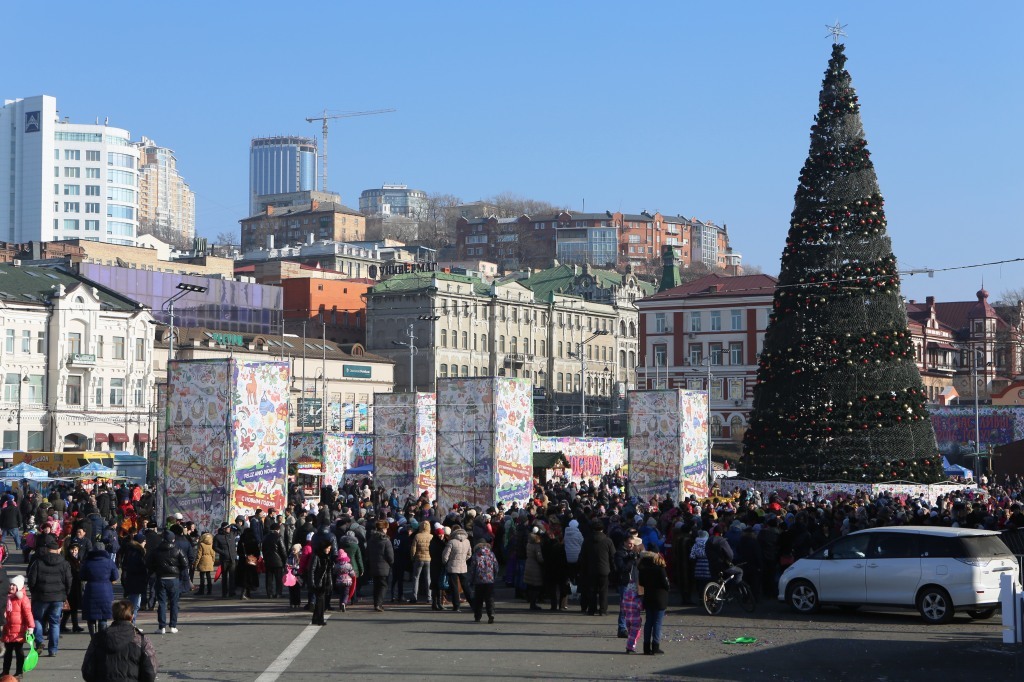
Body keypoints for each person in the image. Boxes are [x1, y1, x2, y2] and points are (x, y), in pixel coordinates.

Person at [81, 599, 157, 682]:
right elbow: (150, 673)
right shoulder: (141, 641)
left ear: (114, 616)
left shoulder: (98, 638)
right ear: (132, 617)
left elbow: (87, 671)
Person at [26, 534, 72, 657]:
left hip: (41, 596)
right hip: (58, 597)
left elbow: (32, 580)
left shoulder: (38, 562)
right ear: (57, 550)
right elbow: (68, 581)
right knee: (55, 623)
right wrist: (65, 594)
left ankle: (40, 641)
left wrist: (34, 591)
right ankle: (53, 649)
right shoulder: (64, 563)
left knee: (37, 619)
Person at [144, 530, 188, 635]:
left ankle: (162, 626)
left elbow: (149, 563)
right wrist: (178, 570)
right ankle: (173, 625)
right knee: (173, 603)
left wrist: (156, 570)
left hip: (161, 577)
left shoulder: (156, 550)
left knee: (162, 603)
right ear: (173, 539)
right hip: (174, 578)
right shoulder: (177, 550)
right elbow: (185, 563)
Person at [80, 547, 119, 636]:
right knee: (103, 617)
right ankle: (102, 638)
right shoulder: (109, 562)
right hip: (106, 591)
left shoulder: (88, 562)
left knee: (91, 617)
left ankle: (93, 639)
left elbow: (81, 576)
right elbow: (115, 576)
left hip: (91, 590)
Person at [637, 550, 670, 655]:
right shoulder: (660, 569)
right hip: (659, 598)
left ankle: (646, 647)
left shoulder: (643, 569)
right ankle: (655, 646)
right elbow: (666, 584)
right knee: (657, 622)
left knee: (648, 622)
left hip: (648, 596)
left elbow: (641, 583)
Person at [1, 575, 33, 677]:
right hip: (8, 630)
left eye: (14, 585)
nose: (11, 587)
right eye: (10, 584)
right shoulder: (6, 598)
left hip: (19, 631)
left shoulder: (23, 599)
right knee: (7, 653)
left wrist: (31, 627)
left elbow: (28, 614)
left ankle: (19, 672)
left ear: (18, 587)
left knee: (19, 653)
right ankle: (5, 671)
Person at [365, 519, 394, 612]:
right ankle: (378, 604)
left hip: (373, 565)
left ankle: (376, 603)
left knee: (376, 586)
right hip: (384, 566)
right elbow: (390, 556)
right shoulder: (386, 541)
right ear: (384, 528)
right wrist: (391, 563)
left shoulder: (371, 539)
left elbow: (367, 552)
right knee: (383, 586)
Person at [119, 533, 149, 625]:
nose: (145, 543)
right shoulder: (136, 552)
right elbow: (137, 567)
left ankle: (132, 624)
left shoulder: (132, 551)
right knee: (134, 605)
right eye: (144, 541)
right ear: (140, 542)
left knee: (136, 604)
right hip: (136, 581)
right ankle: (131, 625)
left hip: (134, 580)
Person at [442, 523, 472, 612]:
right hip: (463, 566)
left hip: (452, 567)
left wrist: (446, 562)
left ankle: (456, 606)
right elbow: (469, 554)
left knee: (454, 587)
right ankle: (472, 603)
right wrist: (463, 560)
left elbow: (445, 556)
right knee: (465, 586)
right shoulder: (467, 541)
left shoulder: (451, 542)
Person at [469, 535, 497, 623]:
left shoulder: (476, 555)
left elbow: (472, 569)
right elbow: (496, 567)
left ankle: (478, 616)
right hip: (489, 579)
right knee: (490, 598)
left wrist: (471, 580)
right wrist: (493, 576)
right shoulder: (491, 554)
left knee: (478, 599)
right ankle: (491, 614)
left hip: (479, 580)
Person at [408, 519, 432, 604]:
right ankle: (429, 597)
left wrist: (412, 558)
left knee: (416, 578)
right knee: (428, 578)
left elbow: (413, 549)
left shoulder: (417, 536)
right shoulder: (431, 536)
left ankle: (414, 597)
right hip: (428, 559)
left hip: (418, 558)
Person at [309, 543, 333, 626]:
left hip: (324, 583)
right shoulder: (316, 556)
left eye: (330, 548)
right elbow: (311, 570)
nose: (328, 550)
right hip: (318, 582)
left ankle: (315, 619)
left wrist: (330, 583)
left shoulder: (327, 557)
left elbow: (329, 572)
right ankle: (320, 619)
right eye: (327, 548)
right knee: (321, 602)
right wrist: (312, 582)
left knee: (320, 601)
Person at [261, 523, 287, 599]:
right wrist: (285, 560)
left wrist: (265, 558)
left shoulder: (265, 537)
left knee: (269, 578)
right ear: (277, 529)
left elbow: (263, 549)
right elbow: (283, 550)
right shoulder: (279, 537)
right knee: (278, 579)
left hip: (268, 560)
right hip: (278, 561)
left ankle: (269, 593)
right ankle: (278, 593)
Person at [212, 523, 237, 599]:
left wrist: (235, 524)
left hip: (232, 558)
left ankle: (232, 592)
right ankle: (224, 592)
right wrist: (223, 552)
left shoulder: (232, 534)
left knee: (232, 576)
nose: (229, 529)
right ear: (224, 529)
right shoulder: (218, 537)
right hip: (224, 559)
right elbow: (215, 547)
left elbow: (239, 529)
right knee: (225, 576)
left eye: (229, 527)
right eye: (227, 528)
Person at [236, 526, 261, 600]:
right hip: (251, 562)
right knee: (250, 578)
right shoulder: (253, 540)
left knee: (244, 578)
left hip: (242, 561)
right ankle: (246, 593)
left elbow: (238, 552)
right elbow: (257, 552)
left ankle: (245, 593)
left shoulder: (241, 541)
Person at [524, 526, 545, 611]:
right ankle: (533, 603)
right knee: (536, 586)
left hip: (528, 564)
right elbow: (539, 557)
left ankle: (531, 602)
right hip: (535, 566)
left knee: (530, 585)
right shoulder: (537, 546)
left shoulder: (528, 543)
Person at [195, 532, 216, 597]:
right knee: (208, 576)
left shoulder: (201, 544)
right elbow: (213, 554)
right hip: (209, 560)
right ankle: (209, 590)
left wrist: (196, 563)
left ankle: (201, 590)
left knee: (202, 576)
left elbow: (199, 555)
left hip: (203, 560)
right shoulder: (211, 544)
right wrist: (213, 561)